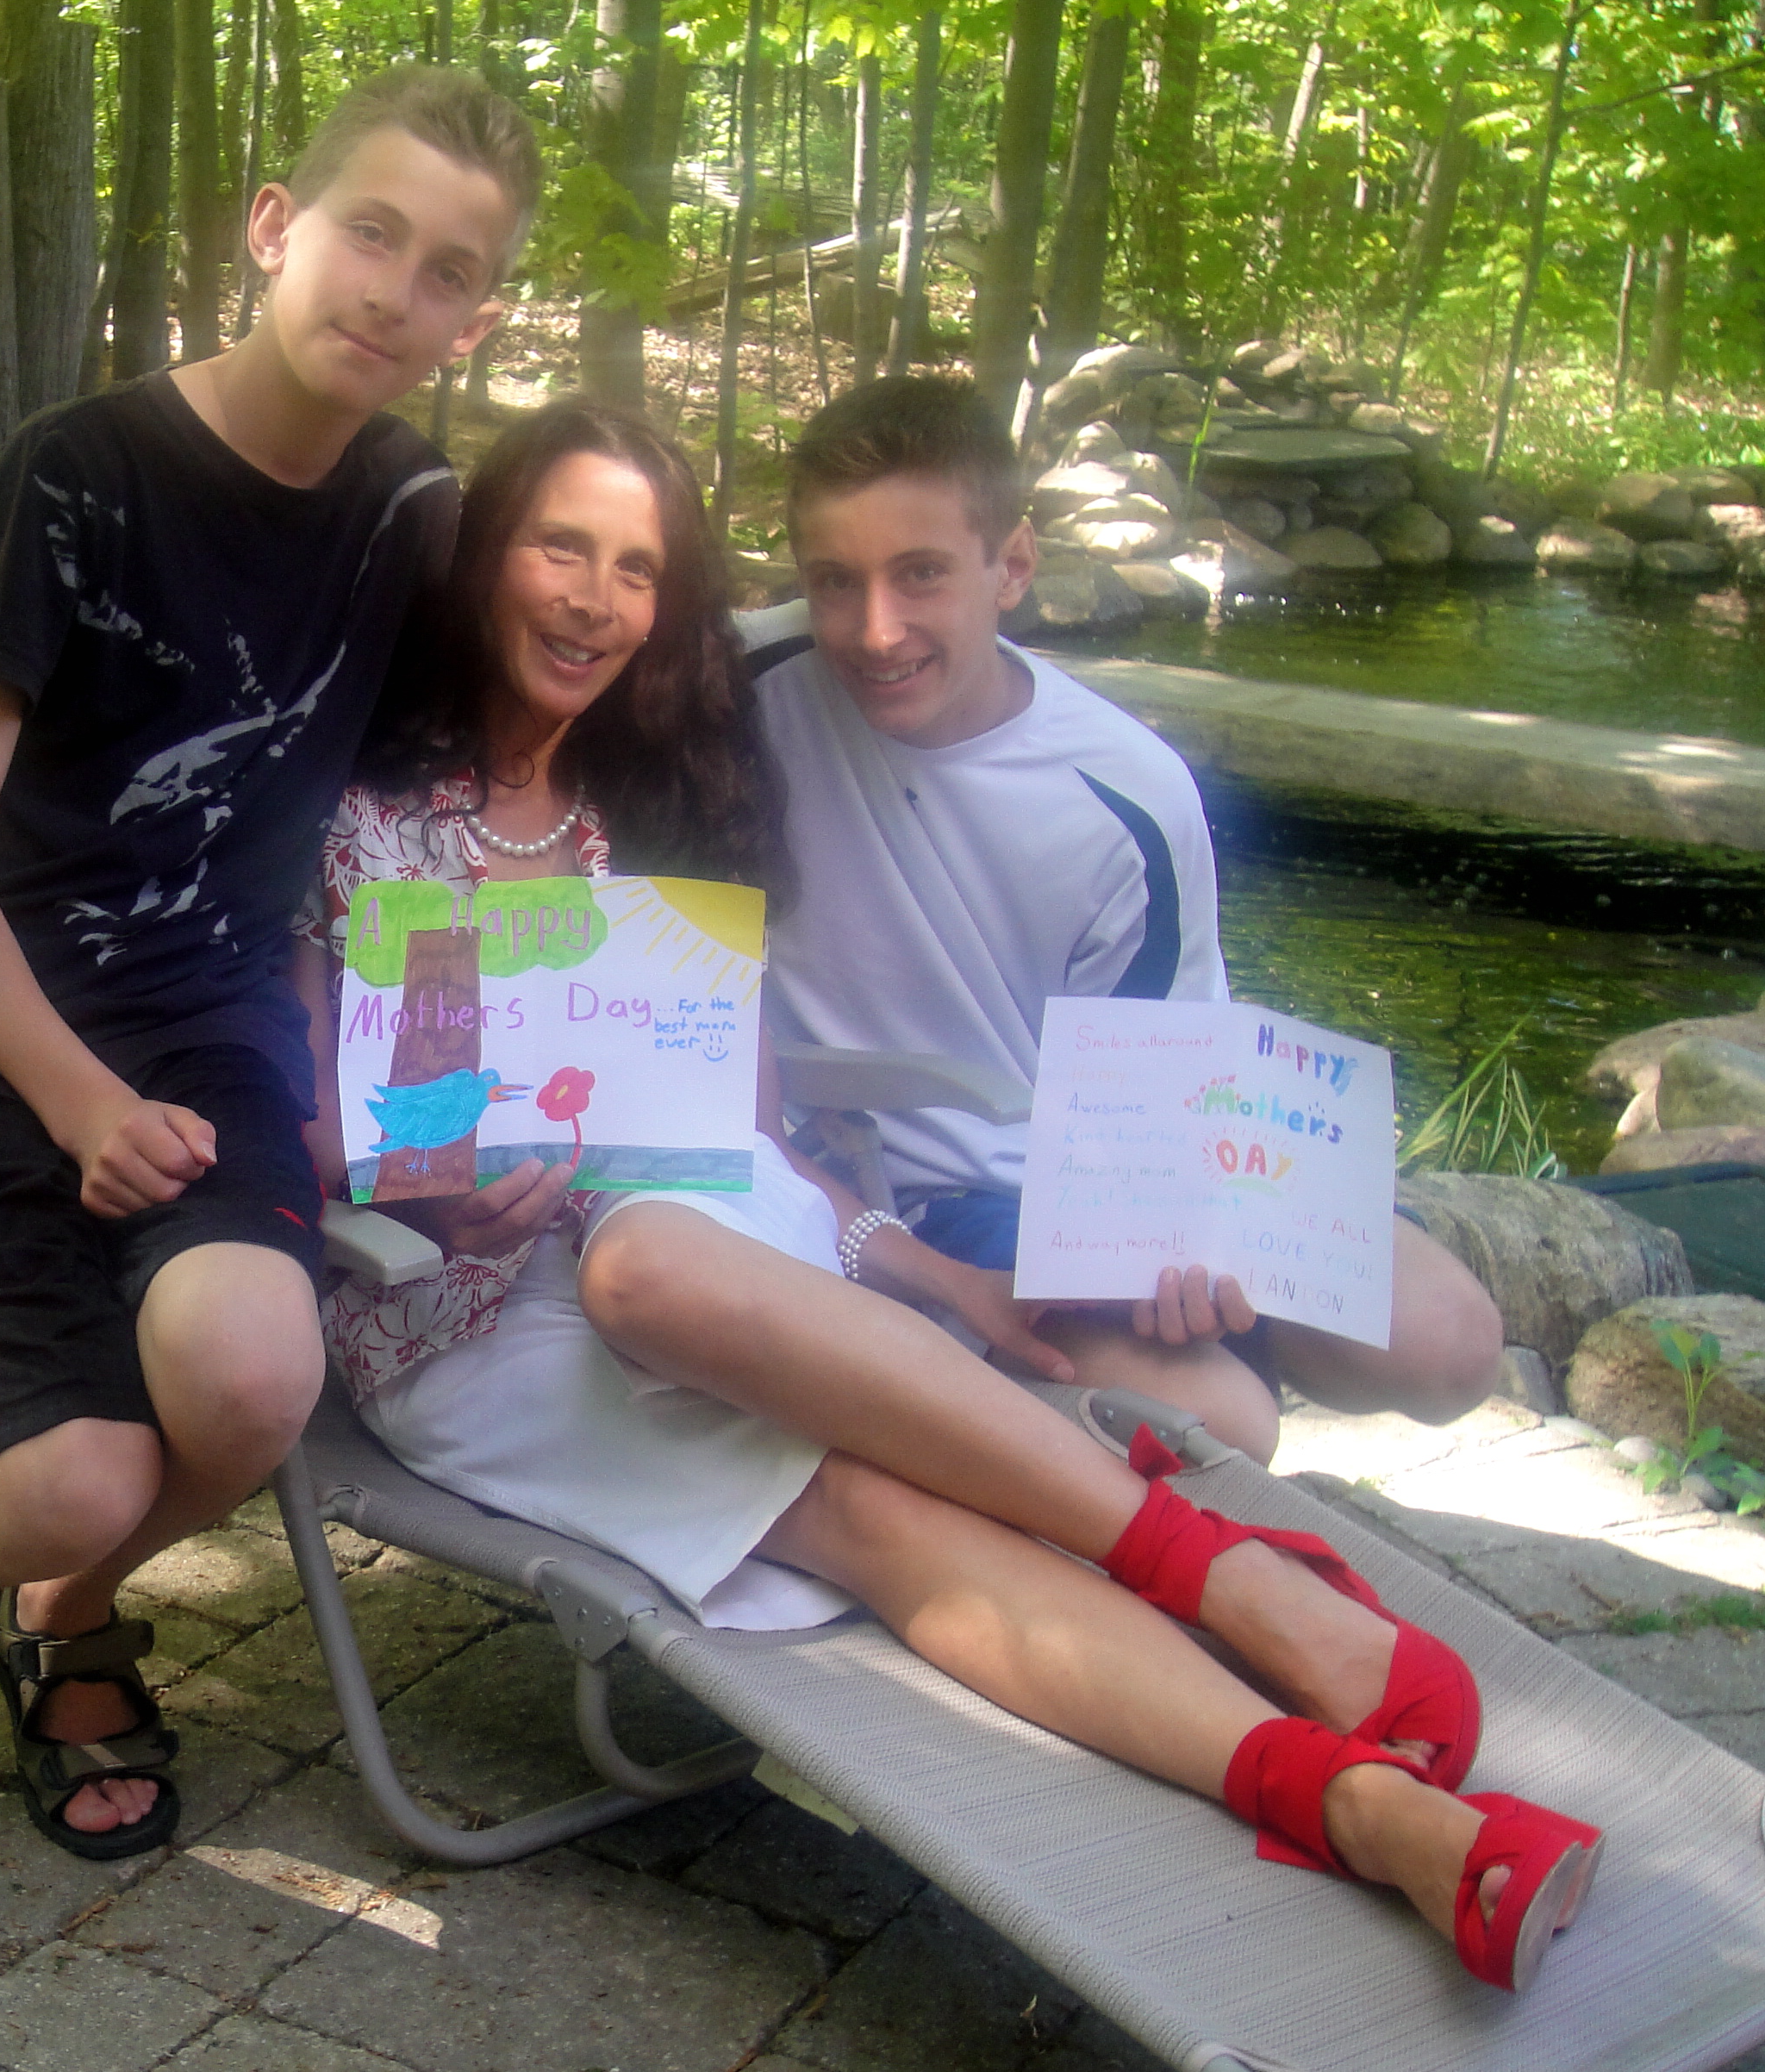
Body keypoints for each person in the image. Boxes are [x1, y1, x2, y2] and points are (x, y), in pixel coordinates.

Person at [295, 396, 1601, 1993]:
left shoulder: (664, 800)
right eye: (558, 548)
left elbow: (754, 1140)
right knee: (859, 1501)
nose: (592, 599)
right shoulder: (368, 817)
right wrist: (429, 1195)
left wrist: (940, 1279)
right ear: (488, 554)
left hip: (707, 1238)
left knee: (660, 1258)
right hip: (474, 1305)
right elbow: (341, 1130)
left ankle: (1298, 1691)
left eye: (636, 568)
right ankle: (1329, 1751)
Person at [0, 66, 542, 1894]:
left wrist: (436, 1113)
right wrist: (78, 1101)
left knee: (248, 1379)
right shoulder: (75, 473)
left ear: (478, 318)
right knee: (72, 1462)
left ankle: (61, 1608)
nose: (396, 290)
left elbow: (417, 841)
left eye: (450, 271)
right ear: (275, 226)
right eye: (371, 231)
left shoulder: (411, 515)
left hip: (212, 1027)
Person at [739, 374, 1505, 1464]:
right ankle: (1160, 1377)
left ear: (1013, 565)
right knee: (1228, 1428)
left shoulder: (1129, 787)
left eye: (921, 573)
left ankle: (1186, 1345)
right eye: (834, 581)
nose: (876, 629)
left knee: (1451, 1340)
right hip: (921, 1185)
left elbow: (1168, 1064)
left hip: (1097, 1169)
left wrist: (1178, 1242)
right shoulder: (738, 690)